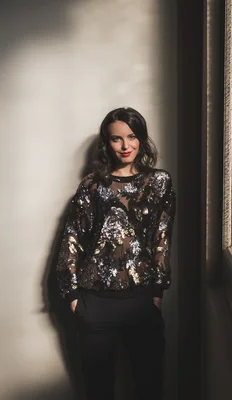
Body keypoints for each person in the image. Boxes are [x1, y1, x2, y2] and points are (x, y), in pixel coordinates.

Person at [56, 107, 176, 400]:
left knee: (149, 388)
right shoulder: (92, 187)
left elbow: (162, 237)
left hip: (141, 300)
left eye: (132, 137)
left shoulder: (160, 183)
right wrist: (72, 297)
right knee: (99, 392)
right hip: (95, 303)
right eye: (116, 139)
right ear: (106, 143)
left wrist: (157, 291)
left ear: (142, 139)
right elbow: (72, 237)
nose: (125, 146)